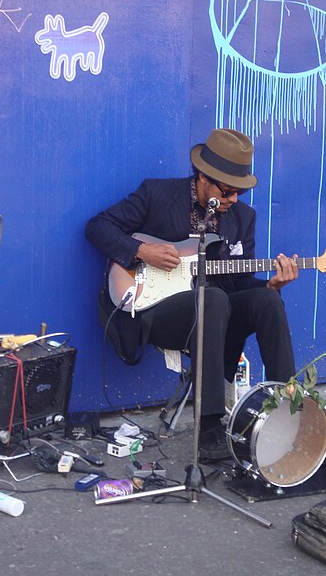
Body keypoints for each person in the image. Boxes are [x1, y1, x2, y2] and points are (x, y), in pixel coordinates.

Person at [85, 128, 299, 460]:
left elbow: (240, 283)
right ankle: (210, 427)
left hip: (215, 312)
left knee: (266, 301)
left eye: (239, 193)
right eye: (227, 193)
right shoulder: (156, 194)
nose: (233, 201)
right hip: (156, 310)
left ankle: (287, 413)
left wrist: (270, 285)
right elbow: (98, 227)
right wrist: (142, 250)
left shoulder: (243, 218)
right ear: (203, 178)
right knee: (211, 299)